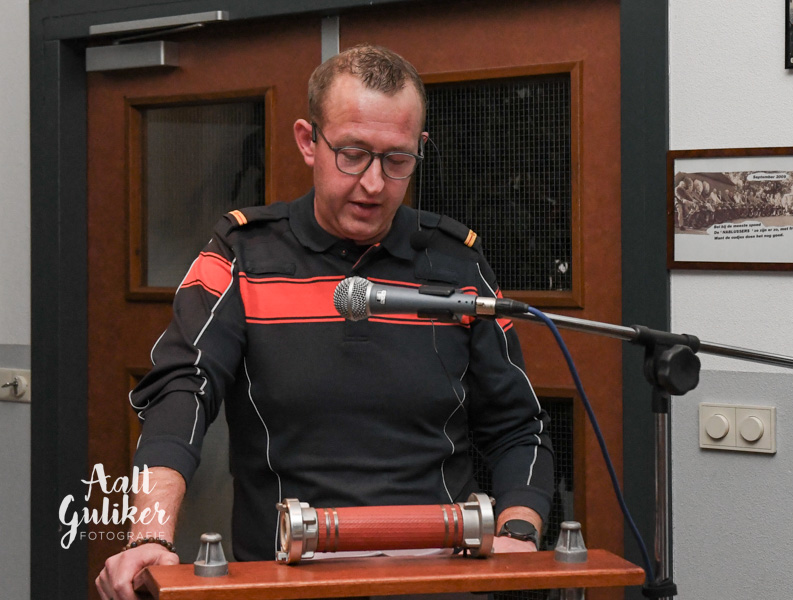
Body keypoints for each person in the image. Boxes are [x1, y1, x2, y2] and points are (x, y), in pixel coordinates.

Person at [95, 44, 554, 600]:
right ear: (308, 141)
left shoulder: (457, 263)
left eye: (397, 159)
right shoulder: (241, 254)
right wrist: (149, 535)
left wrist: (517, 533)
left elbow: (517, 427)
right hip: (284, 579)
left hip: (437, 581)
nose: (374, 184)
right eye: (353, 154)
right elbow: (182, 390)